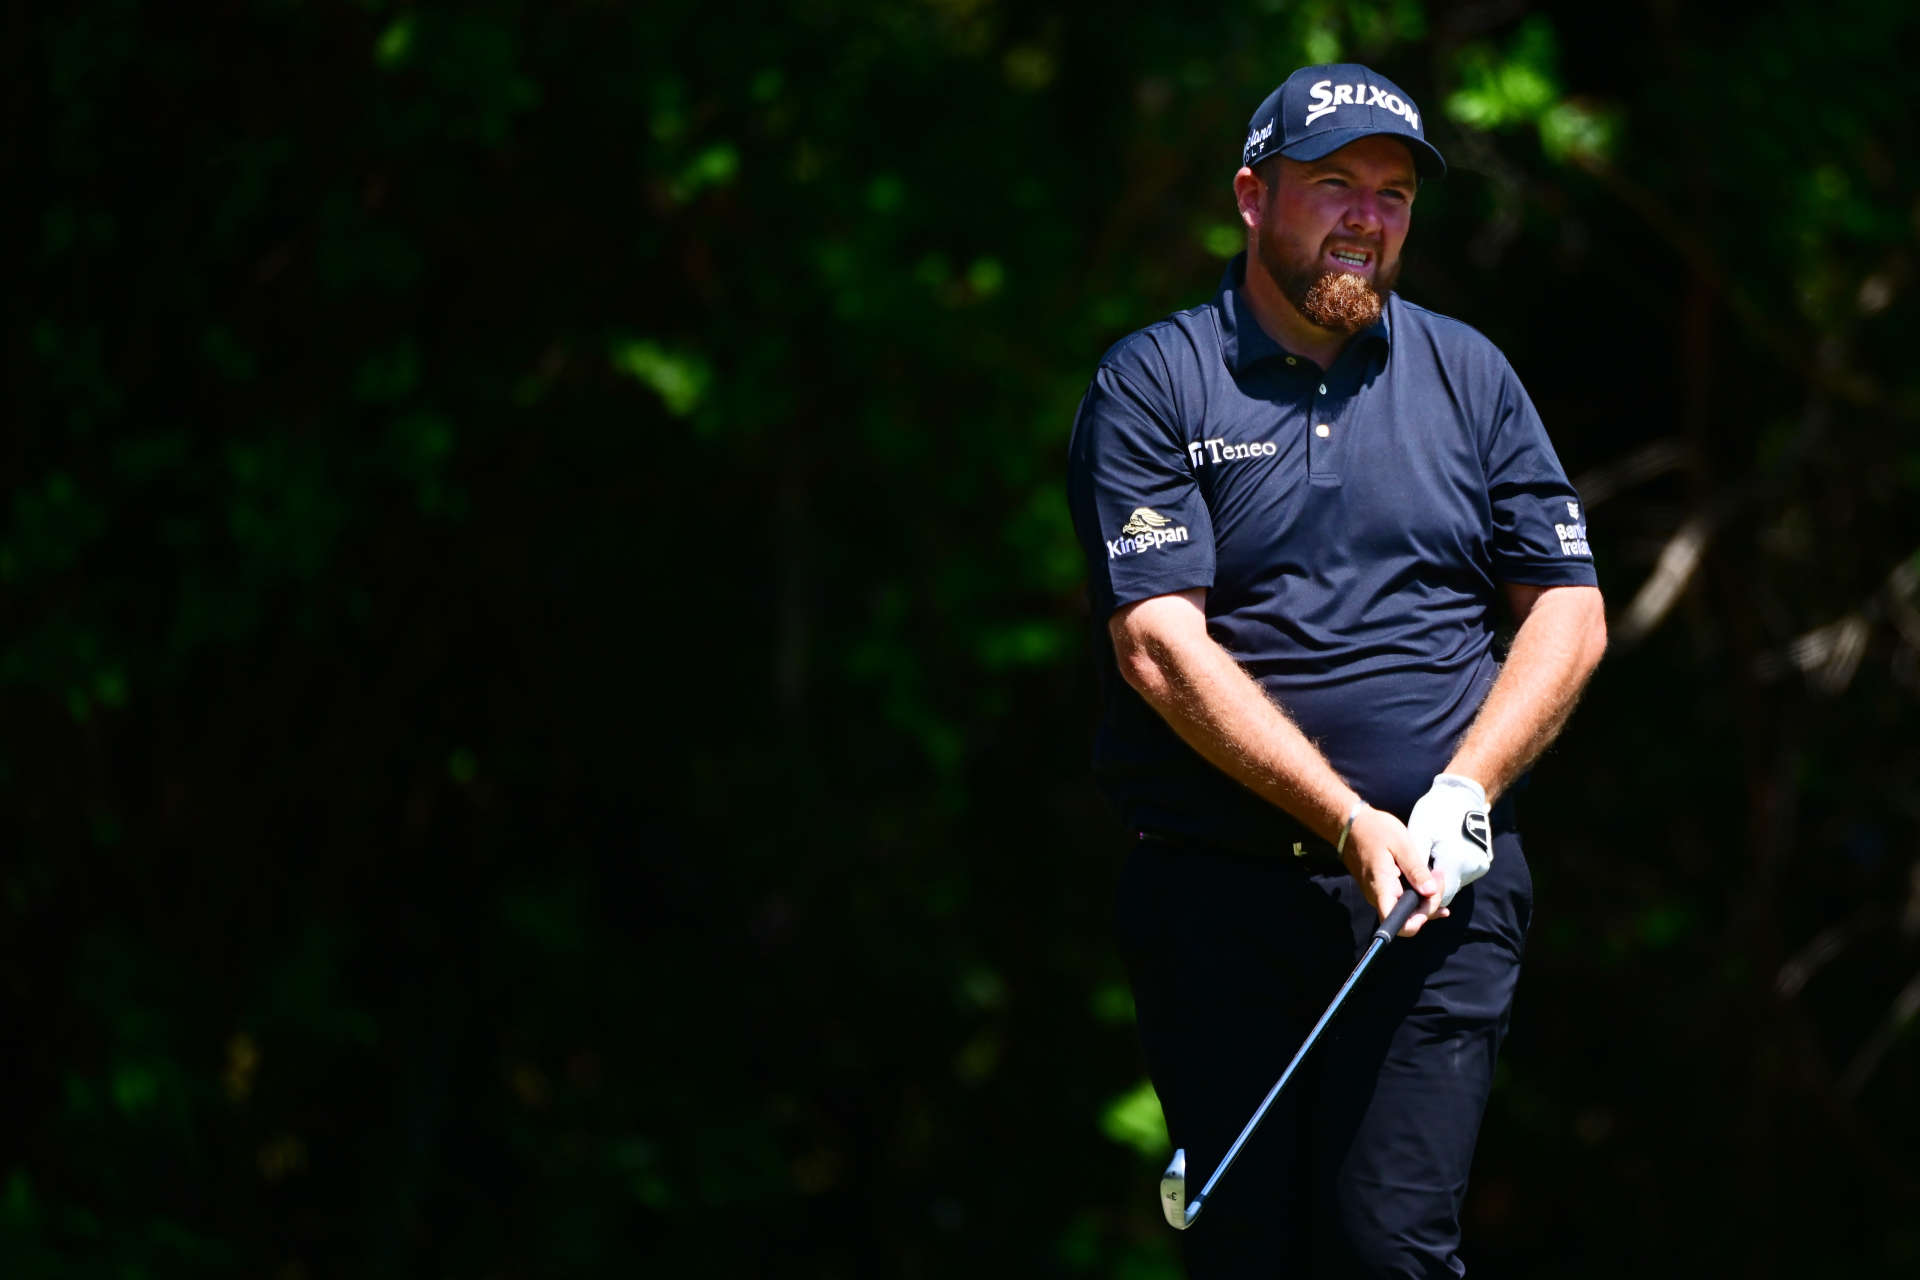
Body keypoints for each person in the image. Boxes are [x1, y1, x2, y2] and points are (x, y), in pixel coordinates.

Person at [1065, 63, 1607, 1277]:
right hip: (1219, 893)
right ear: (1254, 197)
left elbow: (1569, 607)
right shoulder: (1156, 381)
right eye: (1336, 185)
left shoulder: (1471, 377)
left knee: (1386, 1250)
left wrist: (1464, 788)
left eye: (1395, 193)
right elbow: (1157, 641)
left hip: (1435, 900)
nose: (1369, 215)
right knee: (1249, 1249)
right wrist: (1349, 817)